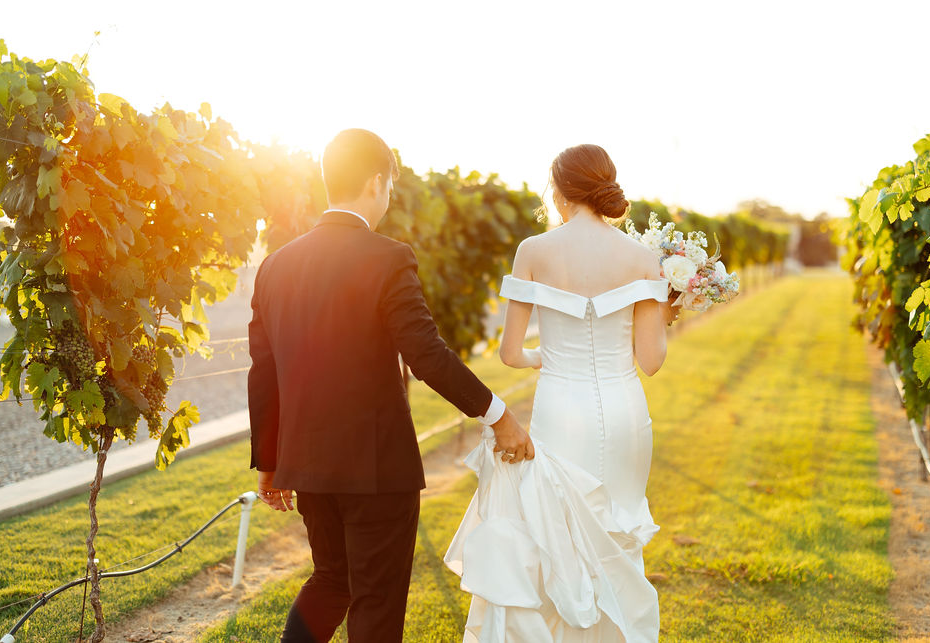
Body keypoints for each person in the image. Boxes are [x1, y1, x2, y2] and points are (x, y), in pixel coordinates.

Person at [246, 128, 534, 642]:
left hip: (308, 466)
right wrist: (498, 413)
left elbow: (263, 373)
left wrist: (271, 461)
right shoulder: (387, 257)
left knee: (331, 579)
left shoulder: (273, 267)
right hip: (378, 469)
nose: (390, 198)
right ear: (377, 182)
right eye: (391, 185)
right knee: (376, 599)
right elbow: (425, 354)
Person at [444, 143, 680, 642]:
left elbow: (510, 352)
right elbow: (652, 362)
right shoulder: (642, 258)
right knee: (616, 531)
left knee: (555, 532)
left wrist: (542, 357)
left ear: (558, 191)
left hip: (560, 405)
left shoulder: (534, 250)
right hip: (624, 412)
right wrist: (665, 311)